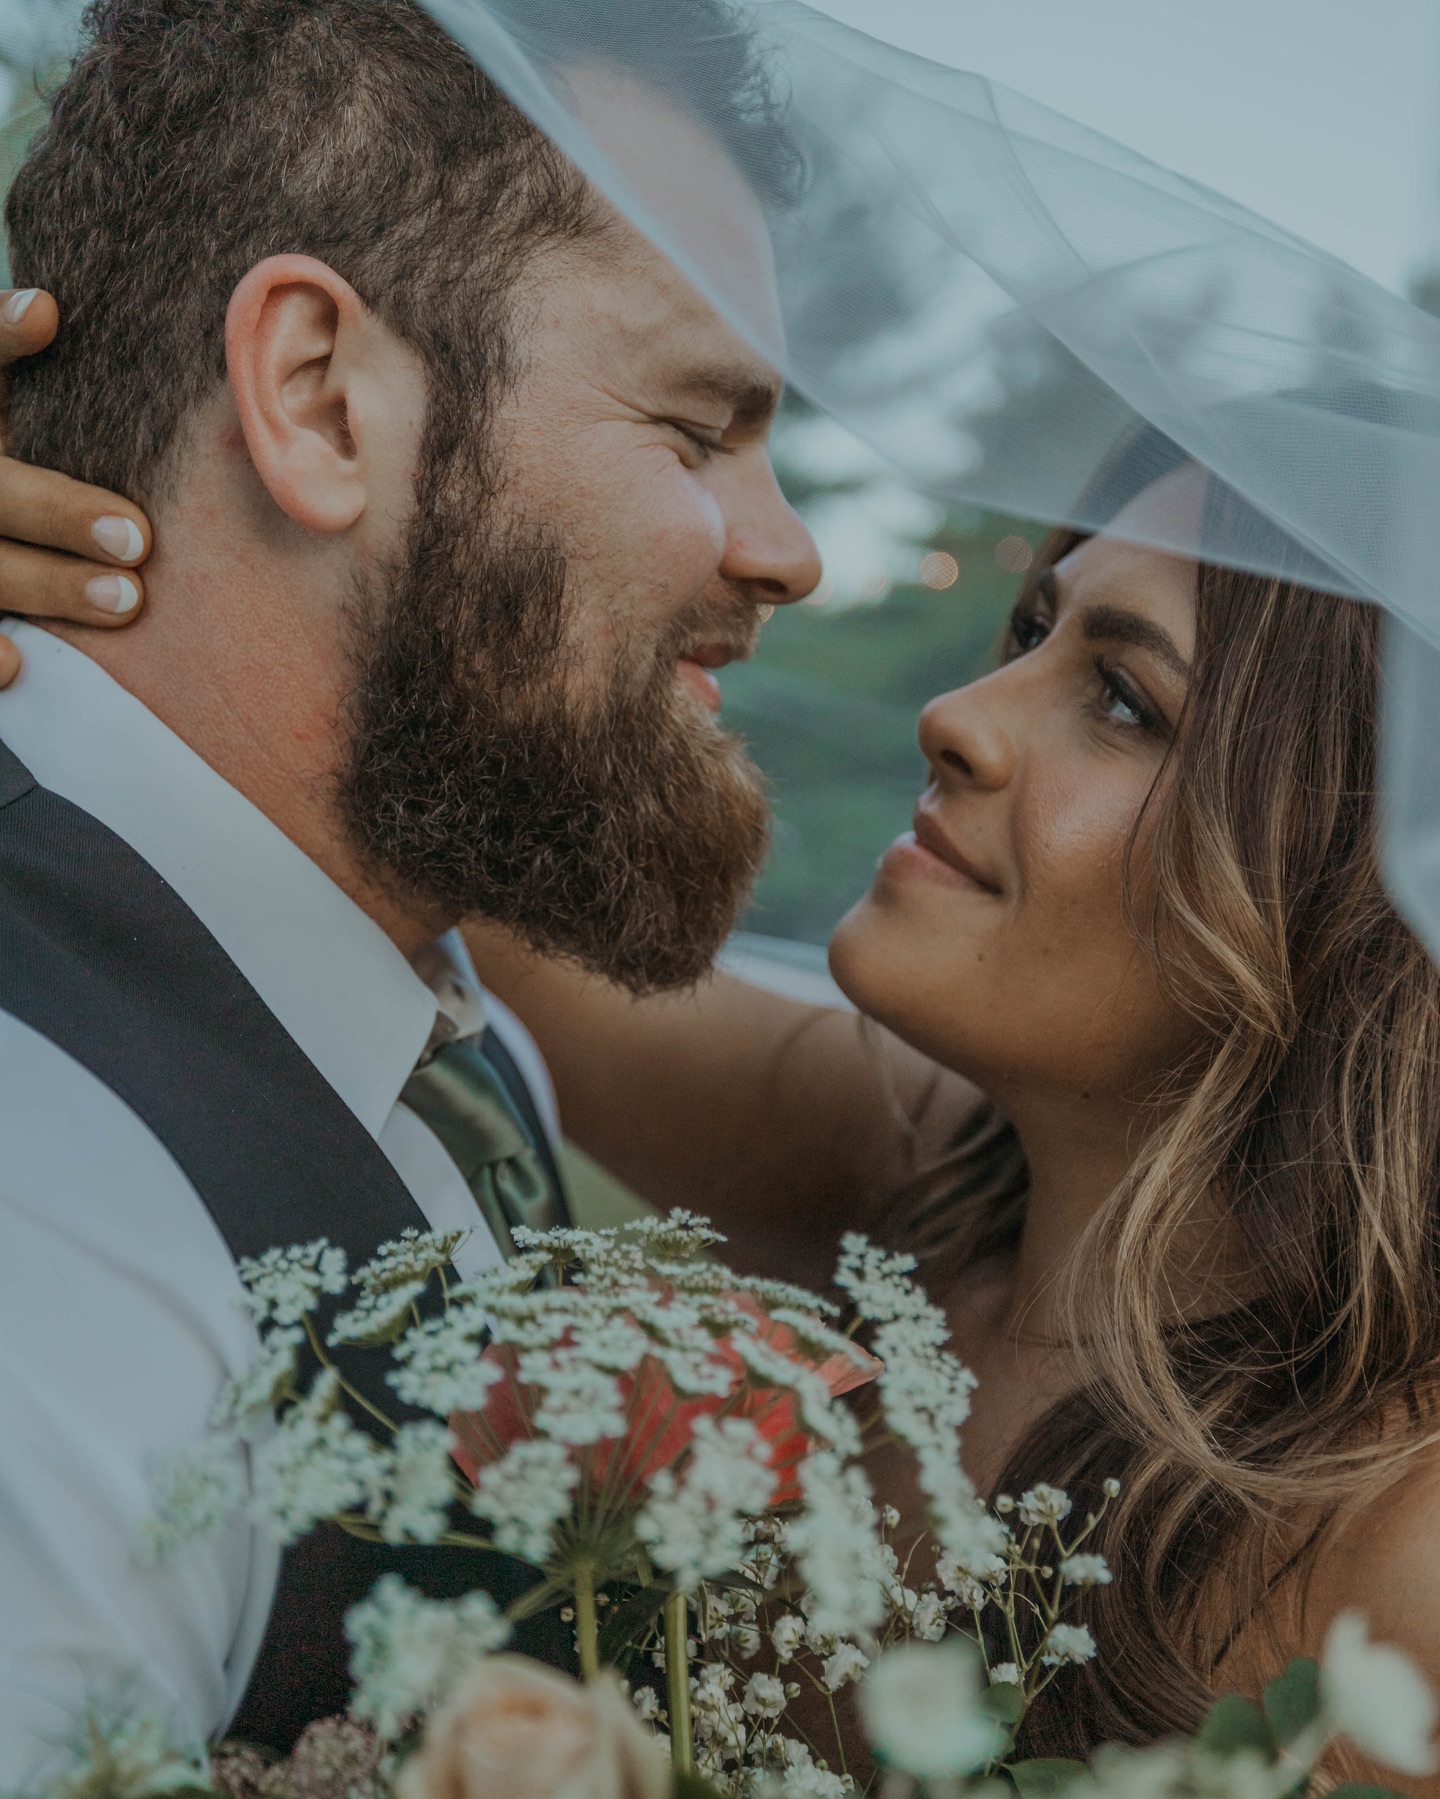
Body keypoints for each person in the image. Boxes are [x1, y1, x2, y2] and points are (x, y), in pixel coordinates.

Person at [0, 0, 818, 1777]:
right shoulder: (43, 1219)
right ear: (315, 396)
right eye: (695, 428)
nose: (792, 550)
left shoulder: (446, 1009)